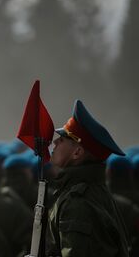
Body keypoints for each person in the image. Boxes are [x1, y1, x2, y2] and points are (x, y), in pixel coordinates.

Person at [46, 100, 129, 256]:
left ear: (77, 153)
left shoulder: (78, 203)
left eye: (62, 139)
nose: (55, 142)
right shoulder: (90, 191)